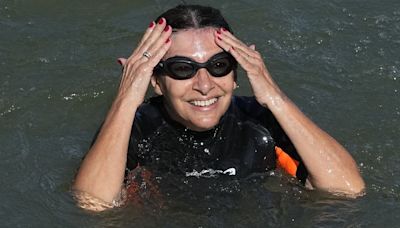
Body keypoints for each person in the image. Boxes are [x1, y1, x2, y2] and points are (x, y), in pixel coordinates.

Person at [72, 4, 365, 211]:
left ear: (236, 76)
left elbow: (348, 190)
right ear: (156, 82)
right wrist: (125, 100)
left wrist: (273, 96)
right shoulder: (136, 126)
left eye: (219, 65)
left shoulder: (259, 123)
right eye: (182, 68)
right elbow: (93, 204)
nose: (204, 83)